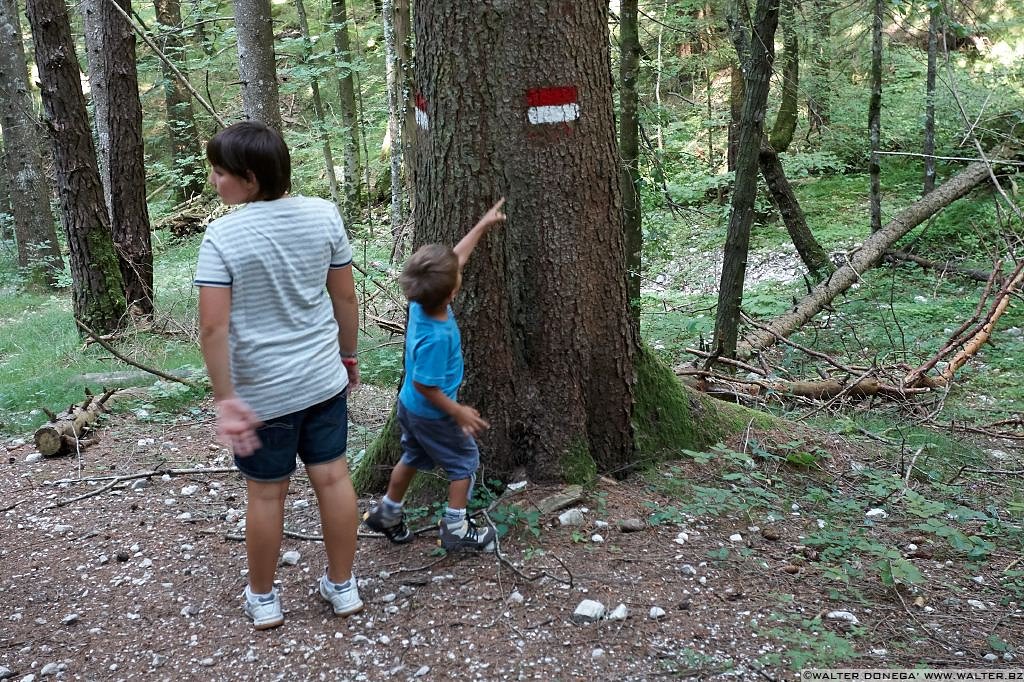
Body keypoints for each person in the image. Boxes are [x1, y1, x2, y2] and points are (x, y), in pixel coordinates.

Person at [195, 121, 363, 630]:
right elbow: (345, 297)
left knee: (267, 494)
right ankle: (343, 587)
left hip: (263, 393)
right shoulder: (324, 215)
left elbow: (212, 327)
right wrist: (348, 356)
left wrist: (226, 400)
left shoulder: (222, 235)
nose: (214, 181)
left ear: (248, 179)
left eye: (220, 173)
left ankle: (264, 599)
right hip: (322, 379)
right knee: (334, 478)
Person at [363, 198, 506, 552]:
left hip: (410, 411)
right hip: (434, 413)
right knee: (464, 464)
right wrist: (456, 411)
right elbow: (424, 383)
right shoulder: (437, 336)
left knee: (412, 457)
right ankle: (456, 528)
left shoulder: (419, 301)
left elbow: (455, 260)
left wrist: (481, 225)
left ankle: (389, 513)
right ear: (454, 291)